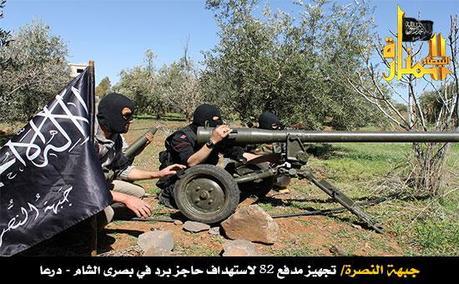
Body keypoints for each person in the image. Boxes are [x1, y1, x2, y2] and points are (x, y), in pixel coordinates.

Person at [95, 92, 185, 226]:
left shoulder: (116, 139)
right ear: (110, 113)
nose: (130, 120)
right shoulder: (86, 140)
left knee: (138, 193)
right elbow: (82, 185)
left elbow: (122, 169)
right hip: (84, 189)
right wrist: (125, 199)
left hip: (102, 183)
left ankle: (106, 205)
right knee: (105, 215)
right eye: (126, 115)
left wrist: (159, 174)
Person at [156, 103, 257, 208]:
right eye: (214, 121)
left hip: (205, 179)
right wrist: (212, 141)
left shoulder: (215, 135)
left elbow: (239, 154)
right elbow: (191, 162)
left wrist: (268, 158)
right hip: (180, 182)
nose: (217, 124)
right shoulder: (181, 137)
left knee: (243, 181)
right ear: (205, 123)